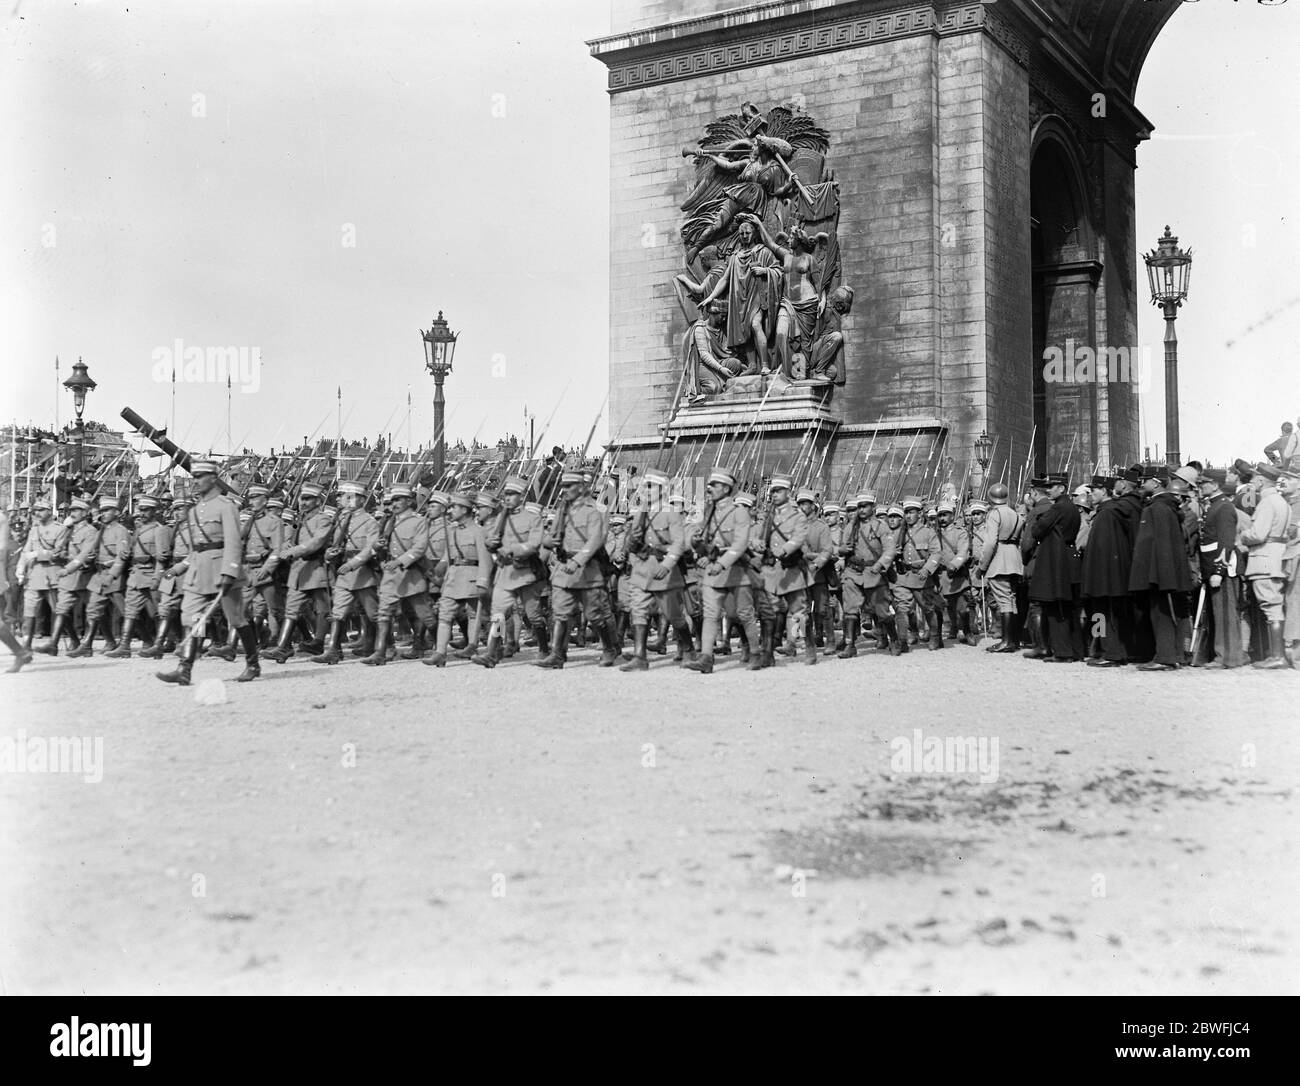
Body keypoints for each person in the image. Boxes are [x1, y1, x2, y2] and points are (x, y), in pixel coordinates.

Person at [156, 461, 259, 685]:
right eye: (194, 477)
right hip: (198, 571)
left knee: (236, 618)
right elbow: (195, 550)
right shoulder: (193, 511)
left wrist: (229, 572)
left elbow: (233, 542)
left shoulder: (226, 506)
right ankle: (185, 669)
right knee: (190, 615)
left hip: (221, 568)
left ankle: (253, 664)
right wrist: (178, 569)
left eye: (200, 477)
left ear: (213, 478)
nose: (196, 482)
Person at [684, 466, 762, 674]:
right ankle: (706, 658)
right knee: (710, 614)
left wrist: (721, 563)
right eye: (710, 485)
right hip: (713, 571)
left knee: (745, 614)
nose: (710, 488)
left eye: (715, 485)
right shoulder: (709, 513)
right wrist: (696, 542)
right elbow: (700, 538)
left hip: (736, 570)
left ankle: (755, 652)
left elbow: (739, 544)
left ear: (727, 489)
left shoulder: (739, 513)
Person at [536, 470, 616, 669]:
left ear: (580, 488)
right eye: (563, 486)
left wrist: (578, 560)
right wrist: (547, 540)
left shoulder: (592, 511)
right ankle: (558, 654)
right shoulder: (562, 511)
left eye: (569, 486)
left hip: (586, 571)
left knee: (595, 614)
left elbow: (595, 540)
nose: (565, 490)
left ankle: (609, 648)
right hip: (563, 570)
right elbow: (550, 536)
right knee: (561, 613)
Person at [619, 468, 695, 672]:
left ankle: (688, 649)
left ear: (662, 489)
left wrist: (667, 564)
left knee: (674, 615)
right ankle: (640, 656)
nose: (646, 490)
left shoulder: (671, 512)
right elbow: (634, 540)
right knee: (638, 610)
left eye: (650, 486)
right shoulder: (642, 512)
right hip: (642, 569)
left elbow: (679, 543)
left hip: (664, 572)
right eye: (645, 486)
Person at [478, 476, 549, 667]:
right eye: (506, 494)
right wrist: (490, 543)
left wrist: (513, 550)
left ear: (521, 496)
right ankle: (493, 652)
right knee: (498, 613)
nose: (508, 498)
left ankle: (544, 649)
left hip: (525, 573)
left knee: (533, 614)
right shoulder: (501, 518)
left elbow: (534, 544)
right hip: (505, 572)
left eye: (512, 494)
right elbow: (491, 539)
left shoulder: (532, 519)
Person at [1128, 468, 1193, 671]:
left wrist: (1163, 577)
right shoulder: (1161, 506)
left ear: (1155, 483)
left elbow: (1163, 544)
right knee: (1161, 613)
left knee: (1162, 614)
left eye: (1144, 481)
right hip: (1158, 572)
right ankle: (1168, 655)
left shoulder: (1159, 508)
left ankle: (1165, 657)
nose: (1141, 484)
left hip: (1159, 573)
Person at [311, 480, 379, 665]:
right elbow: (334, 543)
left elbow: (371, 548)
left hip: (362, 573)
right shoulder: (341, 519)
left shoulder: (369, 522)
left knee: (373, 613)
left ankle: (378, 647)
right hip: (344, 571)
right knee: (338, 611)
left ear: (358, 499)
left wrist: (353, 564)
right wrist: (328, 554)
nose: (340, 499)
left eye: (344, 496)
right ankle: (333, 650)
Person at [1081, 468, 1143, 667]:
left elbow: (1102, 548)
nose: (1091, 495)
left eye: (1095, 491)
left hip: (1104, 574)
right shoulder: (1111, 511)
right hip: (1112, 573)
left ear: (1105, 492)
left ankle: (1109, 652)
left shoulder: (1108, 513)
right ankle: (1106, 649)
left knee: (1102, 613)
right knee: (1108, 613)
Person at [364, 484, 430, 667]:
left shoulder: (418, 521)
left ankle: (428, 643)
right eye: (393, 500)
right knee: (384, 612)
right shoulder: (387, 521)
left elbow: (419, 548)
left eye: (399, 499)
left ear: (409, 501)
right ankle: (380, 652)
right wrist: (378, 550)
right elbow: (381, 544)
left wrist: (400, 561)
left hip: (411, 574)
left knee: (426, 616)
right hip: (391, 573)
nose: (395, 503)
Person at [425, 491, 492, 667]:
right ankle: (440, 652)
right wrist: (438, 570)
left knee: (473, 614)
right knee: (445, 614)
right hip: (453, 578)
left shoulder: (478, 532)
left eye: (454, 507)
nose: (451, 511)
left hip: (471, 577)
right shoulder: (452, 531)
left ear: (464, 509)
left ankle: (473, 645)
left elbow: (485, 559)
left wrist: (483, 581)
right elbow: (447, 557)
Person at [1241, 462, 1295, 669]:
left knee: (1270, 607)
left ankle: (1277, 656)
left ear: (1261, 480)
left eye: (1254, 479)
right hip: (1278, 558)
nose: (1252, 483)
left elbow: (1258, 534)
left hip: (1263, 560)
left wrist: (1243, 535)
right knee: (1275, 606)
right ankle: (1277, 654)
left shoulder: (1266, 503)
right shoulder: (1282, 502)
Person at [1194, 468, 1248, 668]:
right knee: (1218, 612)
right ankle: (1223, 654)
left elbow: (1226, 542)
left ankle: (1226, 657)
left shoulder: (1223, 507)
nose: (1200, 487)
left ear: (1215, 485)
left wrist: (1218, 570)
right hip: (1211, 566)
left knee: (1225, 613)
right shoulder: (1214, 506)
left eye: (1203, 483)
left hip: (1222, 569)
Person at [108, 495, 173, 658]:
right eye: (141, 510)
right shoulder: (138, 530)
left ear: (154, 511)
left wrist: (157, 578)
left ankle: (161, 644)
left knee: (158, 613)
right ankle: (124, 646)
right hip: (136, 575)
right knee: (130, 610)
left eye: (146, 510)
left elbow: (162, 558)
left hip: (151, 574)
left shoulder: (160, 530)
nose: (142, 514)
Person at [836, 490, 897, 657]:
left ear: (873, 507)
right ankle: (850, 645)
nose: (861, 510)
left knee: (882, 611)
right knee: (850, 609)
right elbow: (843, 548)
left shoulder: (880, 526)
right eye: (859, 506)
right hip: (853, 572)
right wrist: (841, 551)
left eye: (865, 506)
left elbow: (890, 550)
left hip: (874, 573)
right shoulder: (850, 527)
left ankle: (895, 640)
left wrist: (880, 565)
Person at [68, 498, 129, 657]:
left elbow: (122, 557)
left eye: (107, 510)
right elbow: (88, 550)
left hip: (113, 576)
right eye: (102, 511)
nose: (104, 514)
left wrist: (112, 575)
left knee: (127, 612)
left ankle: (146, 640)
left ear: (116, 512)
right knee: (93, 609)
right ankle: (87, 645)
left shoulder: (120, 530)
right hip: (99, 574)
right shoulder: (101, 530)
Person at [35, 497, 96, 656]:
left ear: (85, 513)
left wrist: (67, 568)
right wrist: (60, 554)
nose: (73, 513)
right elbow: (66, 552)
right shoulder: (70, 530)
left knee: (94, 611)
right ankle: (54, 644)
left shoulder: (90, 531)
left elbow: (84, 555)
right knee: (61, 608)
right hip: (70, 577)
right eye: (72, 511)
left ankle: (93, 644)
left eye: (76, 510)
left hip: (84, 576)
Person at [976, 483, 1024, 653]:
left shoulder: (994, 514)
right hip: (1014, 557)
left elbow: (989, 543)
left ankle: (1006, 641)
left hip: (1000, 559)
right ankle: (1014, 639)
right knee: (1012, 599)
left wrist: (982, 565)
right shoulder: (1016, 514)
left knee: (1004, 601)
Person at [889, 496, 942, 651]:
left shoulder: (928, 532)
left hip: (921, 576)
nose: (908, 516)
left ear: (919, 513)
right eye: (906, 512)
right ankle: (902, 641)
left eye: (912, 512)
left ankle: (934, 637)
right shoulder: (900, 533)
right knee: (902, 608)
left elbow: (936, 553)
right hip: (903, 576)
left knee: (927, 608)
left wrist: (927, 569)